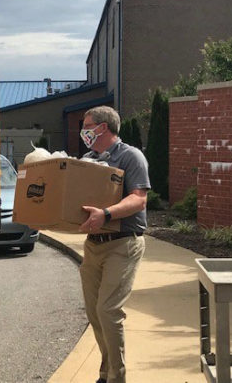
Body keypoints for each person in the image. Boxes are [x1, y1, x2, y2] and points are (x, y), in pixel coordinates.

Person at [77, 106, 150, 383]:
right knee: (95, 314)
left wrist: (105, 214)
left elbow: (139, 199)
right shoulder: (88, 159)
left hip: (123, 244)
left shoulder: (131, 157)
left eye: (87, 125)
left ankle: (116, 379)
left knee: (108, 311)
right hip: (93, 245)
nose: (83, 131)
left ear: (103, 127)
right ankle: (107, 373)